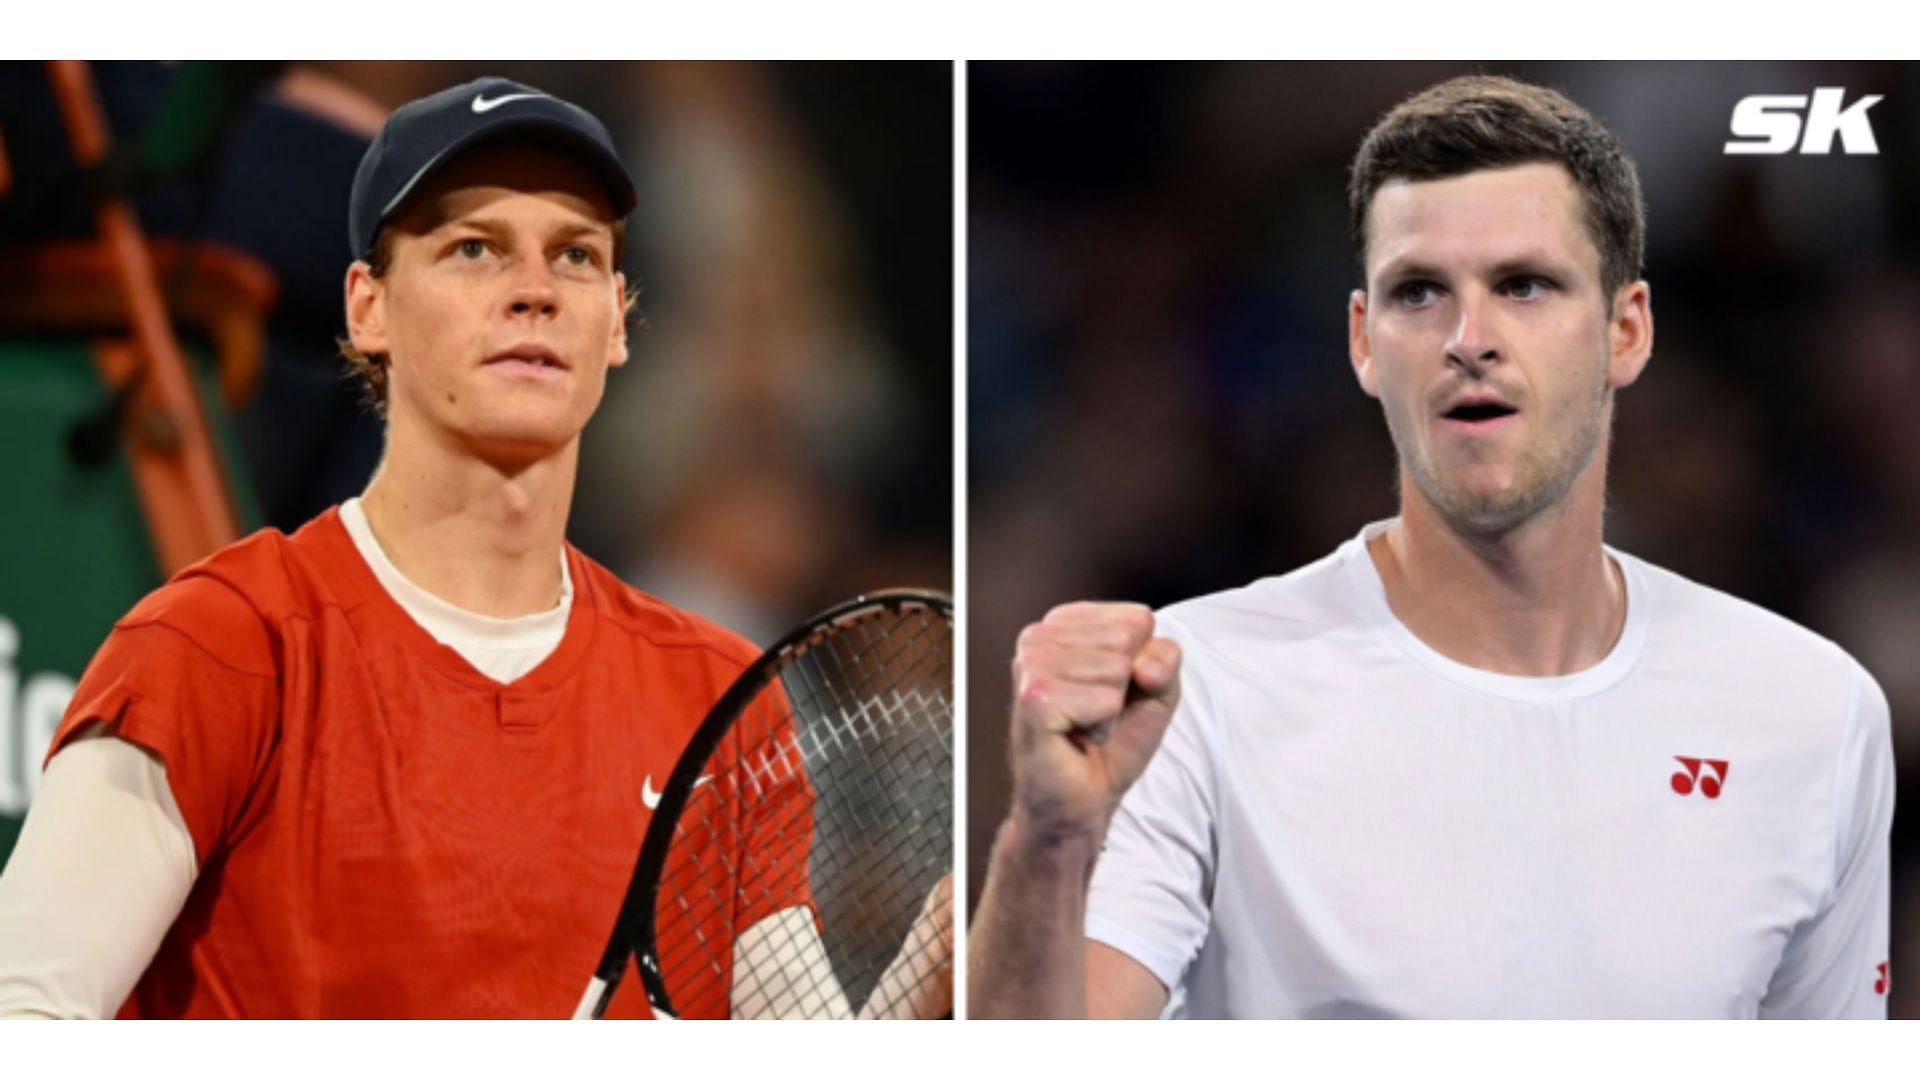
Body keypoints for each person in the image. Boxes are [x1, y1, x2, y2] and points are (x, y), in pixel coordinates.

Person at [0, 76, 949, 1019]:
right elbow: (26, 1020)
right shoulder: (218, 647)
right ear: (368, 308)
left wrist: (935, 977)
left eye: (574, 256)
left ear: (617, 320)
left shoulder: (722, 702)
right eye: (473, 249)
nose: (533, 291)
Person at [967, 74, 1893, 1020]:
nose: (1469, 338)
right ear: (1365, 343)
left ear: (1626, 329)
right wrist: (1045, 841)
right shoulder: (1191, 690)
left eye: (1525, 285)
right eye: (1420, 293)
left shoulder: (1813, 714)